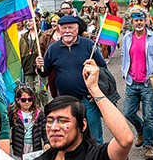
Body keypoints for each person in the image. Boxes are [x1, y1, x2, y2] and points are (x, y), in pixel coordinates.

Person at [35, 15, 107, 145]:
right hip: (66, 102)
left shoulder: (88, 45)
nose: (67, 31)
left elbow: (103, 69)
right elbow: (44, 72)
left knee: (95, 136)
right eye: (64, 28)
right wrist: (39, 66)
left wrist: (96, 91)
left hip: (88, 100)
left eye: (70, 28)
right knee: (70, 136)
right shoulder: (53, 49)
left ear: (77, 29)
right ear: (59, 29)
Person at [121, 8, 153, 160]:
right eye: (136, 20)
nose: (139, 22)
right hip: (132, 82)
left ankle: (148, 145)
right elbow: (124, 56)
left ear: (146, 20)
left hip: (148, 83)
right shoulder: (127, 37)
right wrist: (124, 71)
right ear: (131, 22)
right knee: (128, 112)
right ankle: (141, 131)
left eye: (141, 19)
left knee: (149, 116)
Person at [8, 86, 49, 160]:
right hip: (19, 147)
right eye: (23, 100)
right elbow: (7, 128)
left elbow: (44, 130)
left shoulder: (39, 114)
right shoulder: (14, 114)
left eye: (30, 99)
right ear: (18, 100)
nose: (27, 102)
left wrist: (47, 142)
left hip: (35, 146)